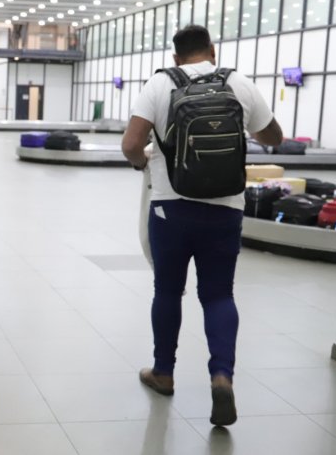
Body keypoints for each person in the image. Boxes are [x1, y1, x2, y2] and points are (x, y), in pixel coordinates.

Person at [120, 25, 283, 427]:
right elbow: (274, 137)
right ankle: (222, 377)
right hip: (226, 208)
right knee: (218, 295)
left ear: (176, 58)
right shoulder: (238, 82)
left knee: (168, 290)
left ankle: (163, 372)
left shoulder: (160, 84)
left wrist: (146, 163)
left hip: (170, 208)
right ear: (212, 50)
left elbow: (129, 144)